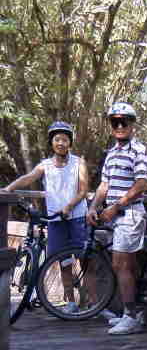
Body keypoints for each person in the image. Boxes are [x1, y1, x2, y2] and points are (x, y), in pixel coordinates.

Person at [1, 121, 89, 313]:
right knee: (63, 261)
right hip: (56, 220)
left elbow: (83, 191)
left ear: (69, 143)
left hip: (77, 218)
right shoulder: (46, 165)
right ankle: (71, 303)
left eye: (65, 140)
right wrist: (8, 188)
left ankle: (95, 303)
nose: (61, 143)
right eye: (57, 139)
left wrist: (69, 206)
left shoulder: (78, 162)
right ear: (52, 143)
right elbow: (29, 177)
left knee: (85, 260)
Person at [87, 102, 147, 335]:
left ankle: (130, 316)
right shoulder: (111, 153)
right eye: (115, 121)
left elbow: (142, 183)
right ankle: (134, 311)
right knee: (128, 266)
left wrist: (115, 207)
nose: (120, 125)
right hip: (116, 217)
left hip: (130, 214)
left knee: (120, 264)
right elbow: (104, 185)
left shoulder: (138, 149)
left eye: (125, 121)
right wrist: (93, 206)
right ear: (111, 125)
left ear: (132, 125)